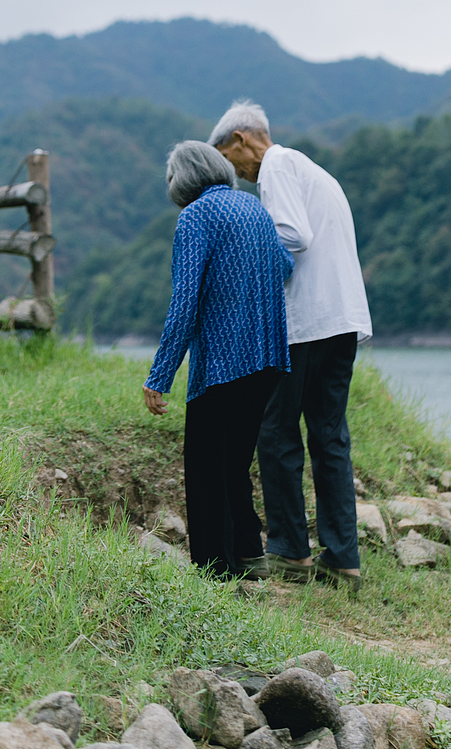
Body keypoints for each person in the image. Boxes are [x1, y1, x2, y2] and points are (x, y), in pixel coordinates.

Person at [208, 100, 372, 589]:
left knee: (275, 429)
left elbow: (292, 236)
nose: (233, 174)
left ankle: (289, 551)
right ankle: (343, 560)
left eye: (228, 160)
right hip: (342, 319)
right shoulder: (312, 170)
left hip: (303, 322)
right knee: (330, 436)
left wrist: (244, 281)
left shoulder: (277, 165)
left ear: (242, 139)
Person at [142, 139, 293, 578]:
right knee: (233, 462)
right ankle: (250, 555)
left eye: (171, 177)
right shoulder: (254, 209)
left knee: (205, 467)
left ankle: (214, 572)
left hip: (224, 361)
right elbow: (285, 265)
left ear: (184, 178)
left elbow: (185, 301)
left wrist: (160, 375)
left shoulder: (195, 216)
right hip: (269, 358)